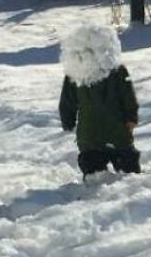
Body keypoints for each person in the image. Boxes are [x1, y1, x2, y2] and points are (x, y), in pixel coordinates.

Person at [59, 23, 141, 178]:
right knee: (92, 167)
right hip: (91, 135)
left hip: (117, 131)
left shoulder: (117, 71)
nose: (89, 55)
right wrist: (67, 119)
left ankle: (128, 174)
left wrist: (131, 117)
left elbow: (127, 96)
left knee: (128, 168)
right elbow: (67, 100)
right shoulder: (75, 74)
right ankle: (94, 174)